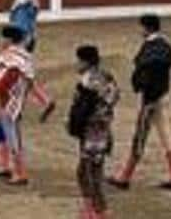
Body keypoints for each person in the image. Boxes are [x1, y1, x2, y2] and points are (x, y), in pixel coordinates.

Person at [109, 12, 171, 192]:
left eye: (141, 27)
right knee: (166, 134)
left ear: (146, 28)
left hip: (150, 99)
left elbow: (144, 72)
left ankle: (124, 177)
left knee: (140, 137)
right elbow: (170, 61)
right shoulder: (165, 44)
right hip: (161, 96)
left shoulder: (150, 48)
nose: (139, 30)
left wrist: (141, 85)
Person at [67, 43, 120, 219]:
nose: (77, 64)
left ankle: (100, 212)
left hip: (91, 132)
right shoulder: (108, 77)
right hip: (103, 129)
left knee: (90, 173)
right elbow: (114, 99)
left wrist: (74, 125)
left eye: (79, 61)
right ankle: (91, 210)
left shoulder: (87, 81)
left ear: (86, 62)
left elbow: (82, 110)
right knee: (86, 171)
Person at [4, 0, 57, 120]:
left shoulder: (21, 3)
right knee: (22, 75)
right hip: (30, 39)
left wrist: (11, 42)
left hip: (21, 41)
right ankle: (27, 106)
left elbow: (20, 26)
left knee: (17, 74)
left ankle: (36, 104)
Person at [0, 25, 34, 186]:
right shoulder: (22, 56)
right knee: (6, 132)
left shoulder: (11, 58)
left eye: (2, 37)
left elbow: (10, 76)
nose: (0, 40)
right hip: (13, 101)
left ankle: (20, 173)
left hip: (10, 103)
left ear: (8, 39)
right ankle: (8, 167)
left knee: (13, 137)